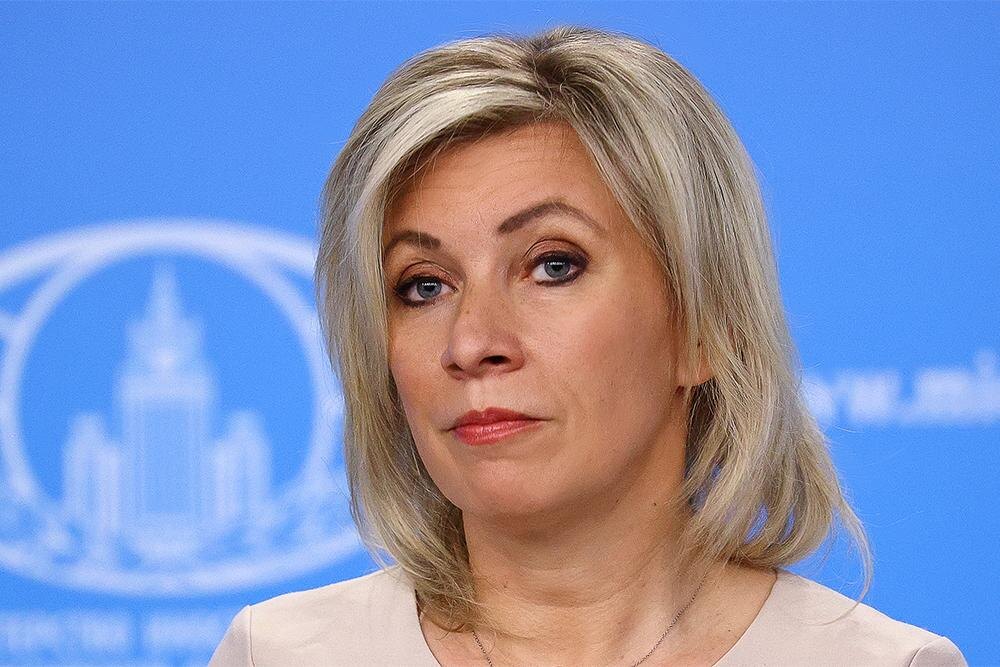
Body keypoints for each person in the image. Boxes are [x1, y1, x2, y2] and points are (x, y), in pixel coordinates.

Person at [210, 25, 967, 666]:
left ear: (705, 325)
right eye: (424, 285)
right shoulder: (279, 654)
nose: (471, 342)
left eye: (553, 266)